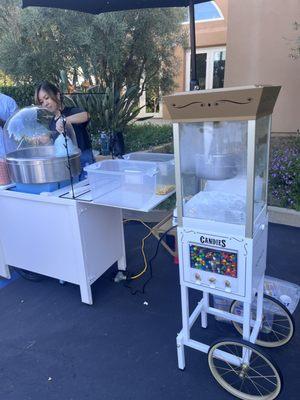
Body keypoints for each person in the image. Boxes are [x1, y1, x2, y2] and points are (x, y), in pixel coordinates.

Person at [34, 81, 94, 178]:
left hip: (84, 163)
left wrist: (65, 120)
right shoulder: (52, 122)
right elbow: (56, 141)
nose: (45, 103)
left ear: (57, 95)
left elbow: (86, 115)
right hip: (67, 167)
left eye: (47, 98)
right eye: (41, 101)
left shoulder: (71, 111)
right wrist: (45, 139)